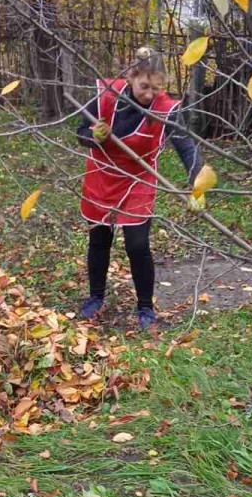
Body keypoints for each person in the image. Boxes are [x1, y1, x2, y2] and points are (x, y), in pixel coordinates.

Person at [77, 46, 200, 328]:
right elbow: (81, 133)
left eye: (156, 87)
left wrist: (197, 186)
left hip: (138, 179)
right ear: (131, 77)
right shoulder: (106, 96)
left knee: (138, 245)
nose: (149, 94)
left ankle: (145, 308)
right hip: (102, 175)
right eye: (144, 86)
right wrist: (94, 136)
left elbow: (186, 146)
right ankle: (95, 297)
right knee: (99, 240)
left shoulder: (164, 108)